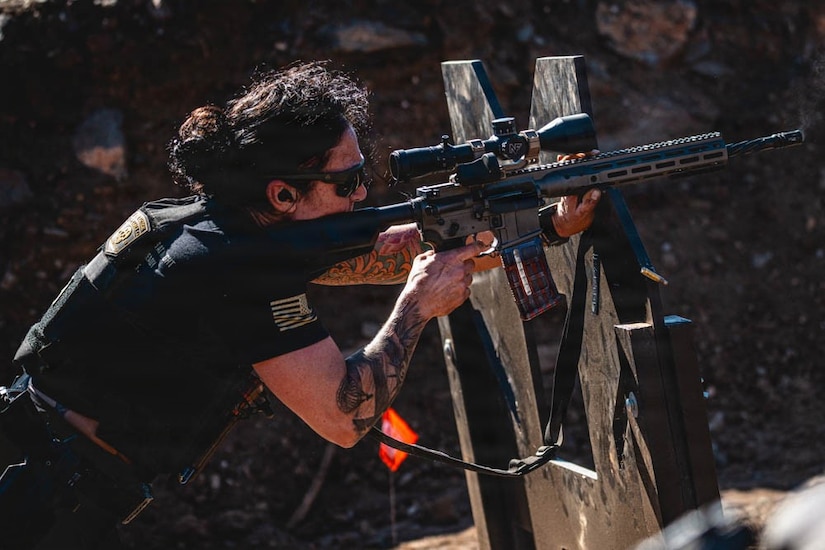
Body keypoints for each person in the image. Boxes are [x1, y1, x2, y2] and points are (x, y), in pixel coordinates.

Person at [0, 61, 600, 548]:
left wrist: (543, 226)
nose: (363, 194)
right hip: (39, 497)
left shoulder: (224, 227)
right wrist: (416, 305)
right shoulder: (230, 265)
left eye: (361, 175)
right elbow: (345, 417)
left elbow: (382, 253)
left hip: (47, 469)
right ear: (283, 193)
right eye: (346, 184)